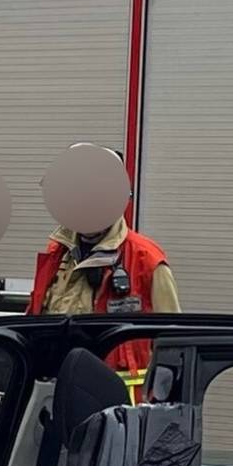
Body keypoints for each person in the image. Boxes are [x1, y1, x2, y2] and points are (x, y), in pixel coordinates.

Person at [29, 145, 179, 401]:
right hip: (54, 397)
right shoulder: (56, 254)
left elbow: (173, 345)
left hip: (119, 410)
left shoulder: (146, 259)